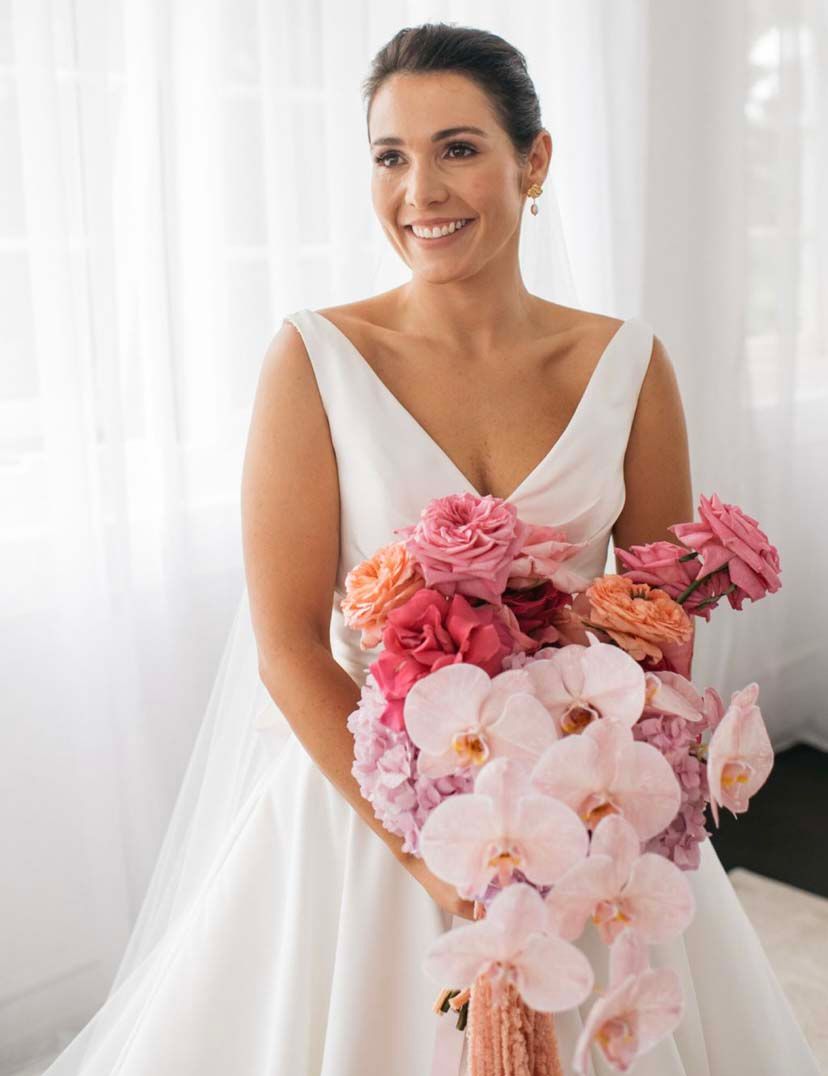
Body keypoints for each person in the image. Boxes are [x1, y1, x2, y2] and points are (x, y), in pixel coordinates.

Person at [42, 21, 821, 1076]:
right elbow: (288, 644)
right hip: (367, 820)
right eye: (390, 156)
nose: (421, 191)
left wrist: (576, 799)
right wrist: (434, 856)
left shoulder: (627, 363)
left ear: (532, 159)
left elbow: (654, 627)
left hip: (571, 819)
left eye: (457, 148)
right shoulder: (316, 357)